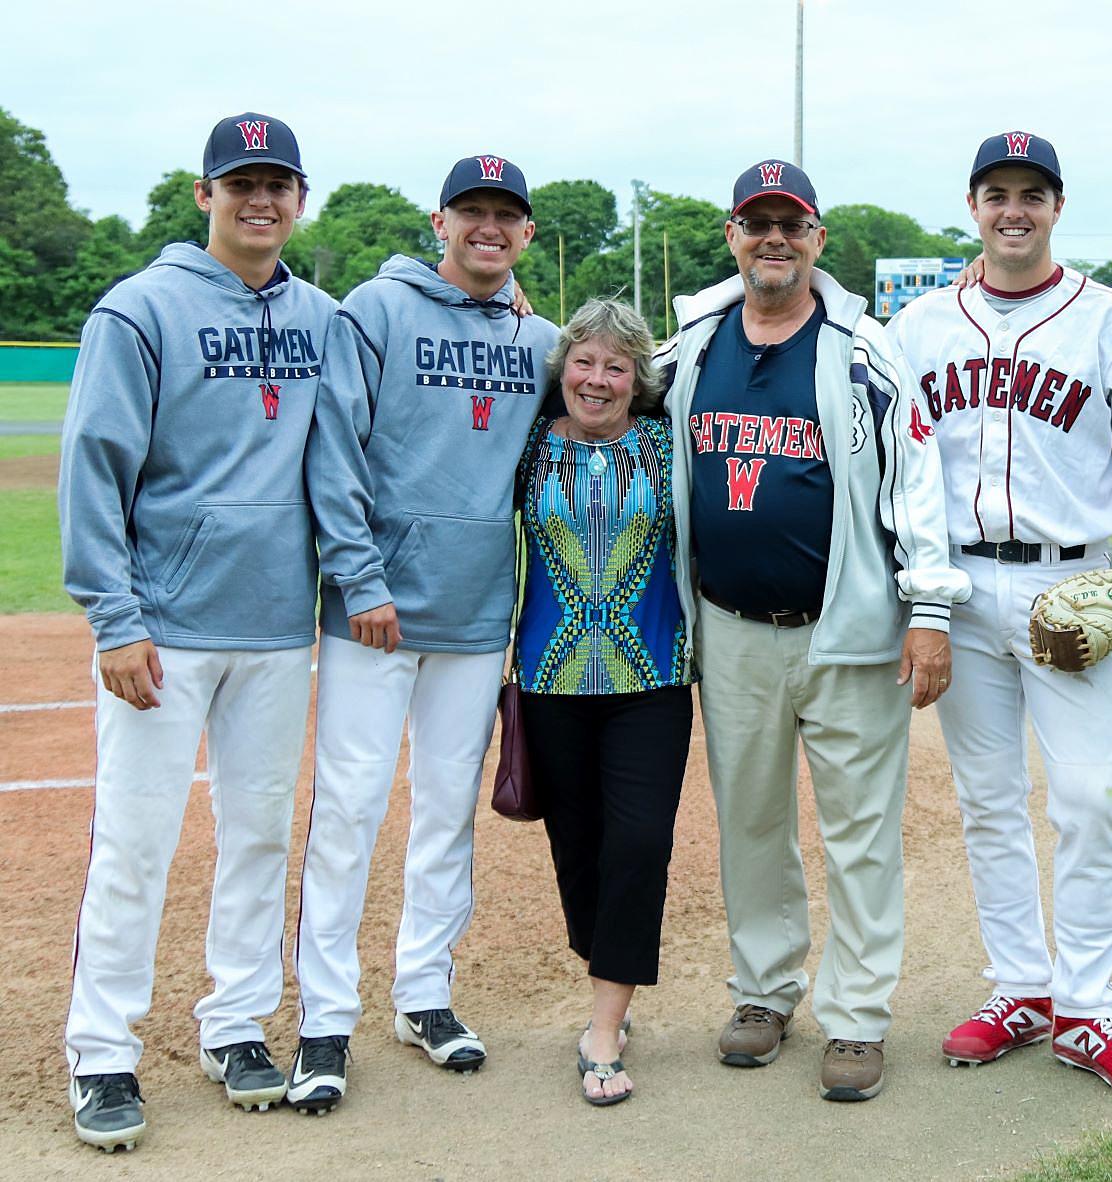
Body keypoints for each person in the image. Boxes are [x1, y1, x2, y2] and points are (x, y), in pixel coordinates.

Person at [885, 131, 1112, 1097]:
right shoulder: (921, 327)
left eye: (1031, 193)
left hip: (1073, 587)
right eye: (995, 192)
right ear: (971, 205)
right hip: (961, 588)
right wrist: (916, 599)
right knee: (986, 802)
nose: (1012, 209)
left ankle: (1089, 1006)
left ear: (1056, 206)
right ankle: (1020, 985)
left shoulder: (1106, 319)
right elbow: (893, 470)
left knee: (1090, 798)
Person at [657, 159, 964, 1103]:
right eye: (758, 223)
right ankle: (763, 990)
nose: (774, 239)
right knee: (750, 822)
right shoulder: (694, 345)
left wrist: (928, 610)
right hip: (731, 627)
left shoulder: (861, 349)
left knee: (859, 832)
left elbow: (917, 486)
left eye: (791, 224)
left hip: (847, 629)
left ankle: (859, 1016)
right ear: (733, 236)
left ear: (817, 239)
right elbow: (611, 403)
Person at [58, 113, 335, 1152]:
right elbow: (95, 467)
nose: (260, 201)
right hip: (163, 633)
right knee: (135, 843)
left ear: (300, 199)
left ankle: (234, 1024)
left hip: (275, 629)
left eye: (278, 185)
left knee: (258, 835)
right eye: (241, 183)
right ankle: (101, 1050)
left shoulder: (322, 314)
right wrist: (115, 619)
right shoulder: (139, 309)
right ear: (204, 194)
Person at [292, 155, 557, 1112]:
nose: (489, 228)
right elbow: (334, 448)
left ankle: (424, 994)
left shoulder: (541, 339)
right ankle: (325, 1017)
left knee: (446, 811)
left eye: (507, 216)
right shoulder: (378, 308)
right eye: (473, 212)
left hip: (480, 612)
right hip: (377, 614)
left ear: (525, 235)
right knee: (351, 809)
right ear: (440, 221)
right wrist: (359, 577)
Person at [514, 299, 690, 1105]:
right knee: (577, 848)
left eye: (616, 365)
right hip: (549, 678)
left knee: (640, 842)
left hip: (649, 677)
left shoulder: (665, 443)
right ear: (562, 369)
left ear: (638, 378)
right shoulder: (528, 446)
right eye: (583, 361)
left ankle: (604, 1023)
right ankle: (607, 963)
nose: (597, 378)